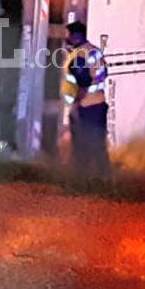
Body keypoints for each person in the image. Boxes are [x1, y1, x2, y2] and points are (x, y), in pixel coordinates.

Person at [60, 21, 110, 180]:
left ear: (75, 35)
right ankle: (104, 179)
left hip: (86, 106)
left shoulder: (79, 55)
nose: (65, 38)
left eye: (67, 34)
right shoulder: (94, 51)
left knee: (82, 147)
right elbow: (102, 74)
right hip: (99, 103)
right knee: (98, 146)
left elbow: (83, 80)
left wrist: (75, 104)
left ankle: (82, 181)